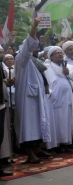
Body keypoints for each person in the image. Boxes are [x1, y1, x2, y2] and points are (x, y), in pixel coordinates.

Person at [15, 18, 51, 164]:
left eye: (37, 46)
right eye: (34, 46)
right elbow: (29, 44)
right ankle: (29, 153)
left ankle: (37, 149)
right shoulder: (22, 58)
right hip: (27, 99)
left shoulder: (34, 61)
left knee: (38, 123)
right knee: (29, 126)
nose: (36, 48)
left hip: (37, 97)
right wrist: (34, 26)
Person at [44, 46, 73, 151]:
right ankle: (56, 145)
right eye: (57, 53)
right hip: (54, 100)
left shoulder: (68, 66)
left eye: (61, 53)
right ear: (51, 57)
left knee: (67, 121)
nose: (60, 54)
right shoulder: (47, 67)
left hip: (67, 99)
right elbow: (48, 82)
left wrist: (68, 72)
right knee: (55, 122)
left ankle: (66, 143)